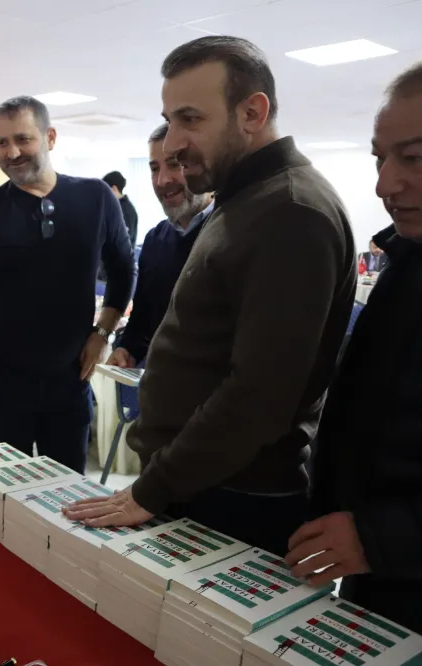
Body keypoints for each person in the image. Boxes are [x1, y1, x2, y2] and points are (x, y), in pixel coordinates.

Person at [64, 36, 356, 556]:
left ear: (252, 113)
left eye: (190, 119)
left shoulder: (291, 211)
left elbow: (259, 396)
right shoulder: (247, 199)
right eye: (169, 120)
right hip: (197, 485)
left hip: (231, 497)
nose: (173, 143)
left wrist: (152, 488)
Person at [287, 60, 422, 634]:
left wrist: (382, 537)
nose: (384, 185)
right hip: (380, 580)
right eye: (380, 159)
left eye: (415, 158)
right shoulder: (408, 261)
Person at [0, 96, 136, 473]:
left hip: (70, 383)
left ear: (50, 137)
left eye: (23, 139)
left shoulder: (96, 197)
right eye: (2, 142)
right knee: (4, 492)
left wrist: (102, 333)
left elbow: (123, 269)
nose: (12, 152)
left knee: (68, 491)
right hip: (2, 388)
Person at [107, 122, 213, 368]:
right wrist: (126, 349)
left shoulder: (234, 233)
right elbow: (142, 322)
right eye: (155, 168)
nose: (162, 180)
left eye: (175, 164)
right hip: (160, 385)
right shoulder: (155, 240)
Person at [103, 170, 139, 246]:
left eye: (105, 191)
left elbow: (123, 242)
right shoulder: (116, 207)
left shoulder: (126, 211)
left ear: (114, 189)